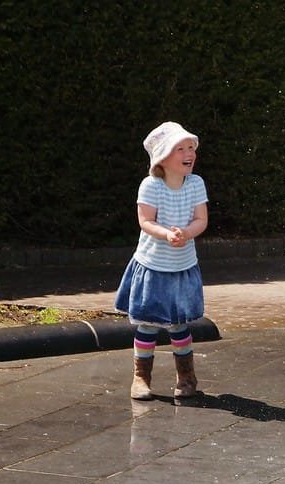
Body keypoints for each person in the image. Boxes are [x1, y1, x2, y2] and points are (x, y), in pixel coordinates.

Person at [114, 121, 208, 400]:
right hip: (153, 266)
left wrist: (186, 234)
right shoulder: (151, 186)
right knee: (147, 324)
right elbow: (145, 221)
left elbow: (201, 219)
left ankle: (186, 377)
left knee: (179, 325)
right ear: (162, 157)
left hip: (182, 266)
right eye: (180, 148)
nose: (188, 152)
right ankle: (141, 377)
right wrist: (167, 234)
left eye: (191, 147)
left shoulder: (196, 183)